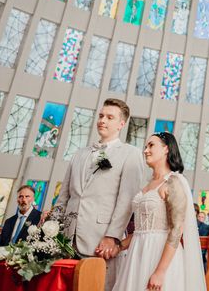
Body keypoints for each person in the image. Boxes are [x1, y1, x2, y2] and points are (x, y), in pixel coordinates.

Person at [51, 98, 144, 291]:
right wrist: (54, 228)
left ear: (121, 124)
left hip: (101, 240)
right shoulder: (79, 154)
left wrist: (113, 236)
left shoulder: (130, 154)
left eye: (110, 117)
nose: (102, 120)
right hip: (67, 239)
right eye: (101, 116)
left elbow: (127, 200)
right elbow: (65, 196)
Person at [113, 132, 206, 291]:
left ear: (166, 149)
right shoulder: (148, 185)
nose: (145, 150)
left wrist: (160, 272)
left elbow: (177, 230)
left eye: (151, 145)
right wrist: (118, 246)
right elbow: (140, 230)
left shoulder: (174, 182)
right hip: (137, 253)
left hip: (159, 255)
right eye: (145, 146)